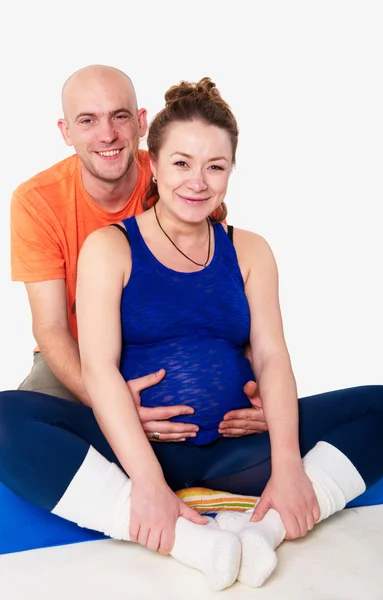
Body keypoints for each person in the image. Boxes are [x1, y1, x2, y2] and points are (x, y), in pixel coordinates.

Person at [1, 77, 383, 591]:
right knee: (7, 417)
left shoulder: (250, 249)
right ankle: (181, 536)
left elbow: (273, 356)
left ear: (232, 172)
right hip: (137, 448)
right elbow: (94, 364)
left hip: (236, 449)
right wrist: (146, 481)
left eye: (216, 167)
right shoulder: (108, 247)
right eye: (182, 164)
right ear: (156, 164)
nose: (198, 181)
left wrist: (285, 460)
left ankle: (266, 530)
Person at [10, 64, 267, 441]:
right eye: (88, 120)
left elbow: (221, 294)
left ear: (141, 122)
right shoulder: (37, 200)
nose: (107, 134)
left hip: (164, 342)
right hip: (76, 355)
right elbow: (50, 326)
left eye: (120, 116)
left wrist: (257, 384)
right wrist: (111, 405)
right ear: (66, 132)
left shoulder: (181, 176)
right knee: (18, 430)